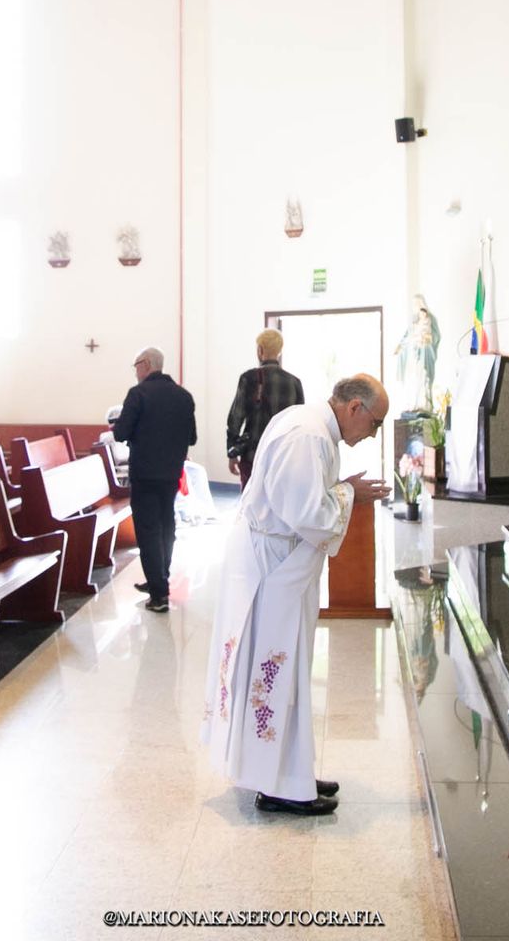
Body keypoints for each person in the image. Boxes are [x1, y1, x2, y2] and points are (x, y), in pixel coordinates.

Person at [202, 375, 391, 816]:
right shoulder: (308, 436)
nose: (373, 434)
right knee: (275, 670)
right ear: (354, 408)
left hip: (278, 563)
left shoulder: (310, 425)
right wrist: (350, 493)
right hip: (272, 569)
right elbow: (308, 513)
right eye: (375, 423)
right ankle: (277, 784)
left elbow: (302, 499)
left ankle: (291, 774)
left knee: (285, 672)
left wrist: (341, 490)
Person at [113, 347, 197, 613]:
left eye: (136, 364)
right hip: (171, 472)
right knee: (166, 525)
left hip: (145, 473)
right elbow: (192, 437)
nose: (135, 370)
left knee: (148, 529)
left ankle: (159, 594)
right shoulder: (184, 396)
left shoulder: (138, 394)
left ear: (146, 364)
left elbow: (121, 432)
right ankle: (158, 578)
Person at [225, 329, 305, 487]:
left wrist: (232, 452)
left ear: (260, 350)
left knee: (250, 506)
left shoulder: (248, 378)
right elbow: (300, 424)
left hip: (253, 455)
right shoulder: (295, 383)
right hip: (283, 457)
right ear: (279, 352)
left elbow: (236, 417)